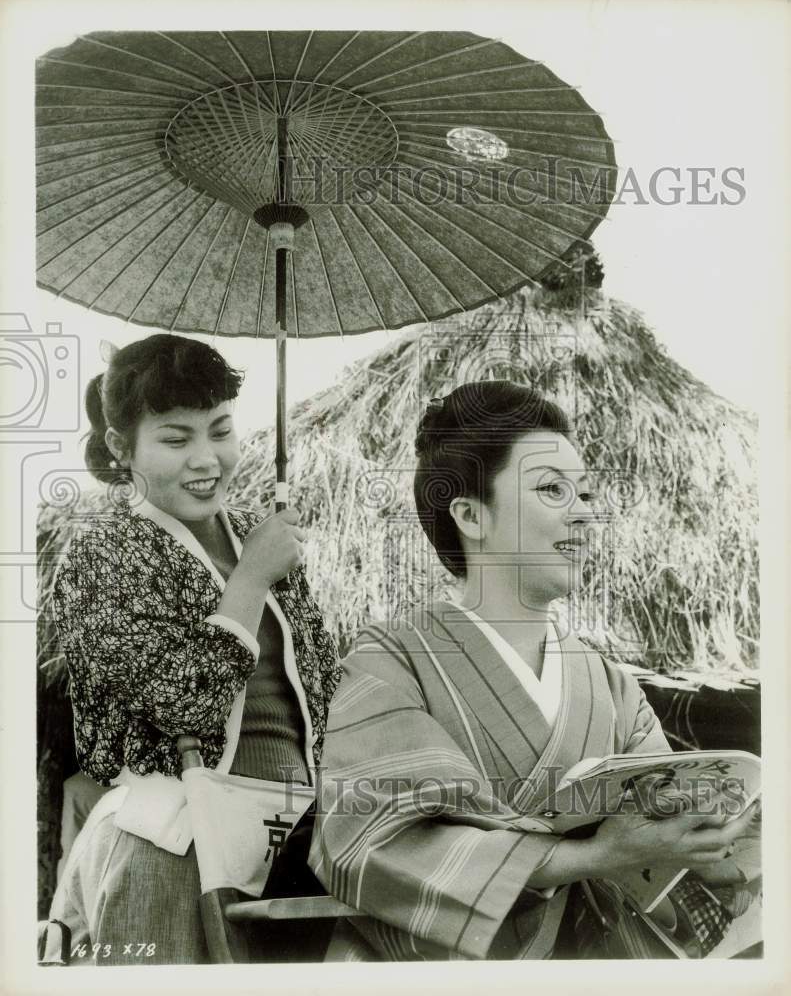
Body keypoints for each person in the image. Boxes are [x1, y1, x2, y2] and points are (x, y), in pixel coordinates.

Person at [308, 381, 760, 960]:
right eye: (552, 490)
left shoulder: (608, 683)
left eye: (586, 494)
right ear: (471, 515)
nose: (583, 515)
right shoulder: (388, 665)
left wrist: (713, 844)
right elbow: (367, 845)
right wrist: (591, 858)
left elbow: (663, 839)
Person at [46, 333, 341, 964]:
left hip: (292, 847)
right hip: (170, 847)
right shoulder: (102, 554)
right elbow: (184, 703)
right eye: (176, 439)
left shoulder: (264, 540)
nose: (207, 458)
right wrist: (251, 580)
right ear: (123, 448)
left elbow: (322, 696)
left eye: (221, 430)